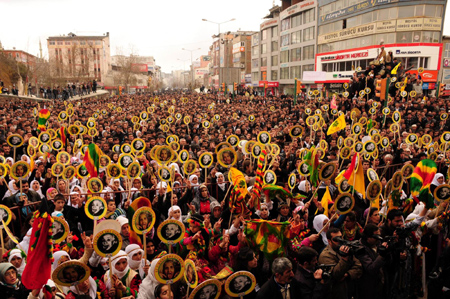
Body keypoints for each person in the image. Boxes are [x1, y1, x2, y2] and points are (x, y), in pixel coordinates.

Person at [318, 227, 363, 299]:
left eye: (341, 238)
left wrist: (347, 274)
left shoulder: (343, 248)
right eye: (336, 239)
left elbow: (358, 266)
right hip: (336, 293)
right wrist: (344, 259)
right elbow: (336, 275)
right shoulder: (325, 255)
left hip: (350, 290)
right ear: (329, 241)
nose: (340, 241)